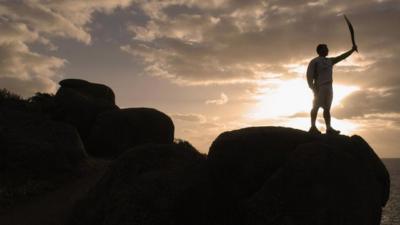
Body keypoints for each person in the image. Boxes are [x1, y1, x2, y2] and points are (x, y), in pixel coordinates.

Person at [307, 44, 357, 135]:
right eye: (326, 49)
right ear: (320, 50)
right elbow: (309, 76)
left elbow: (341, 57)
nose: (328, 50)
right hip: (319, 87)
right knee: (316, 107)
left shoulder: (330, 61)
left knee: (327, 109)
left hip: (329, 87)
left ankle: (329, 128)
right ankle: (313, 127)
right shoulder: (314, 61)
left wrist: (352, 50)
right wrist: (313, 89)